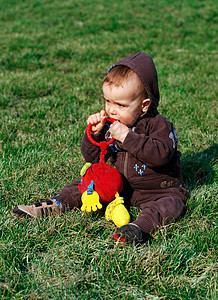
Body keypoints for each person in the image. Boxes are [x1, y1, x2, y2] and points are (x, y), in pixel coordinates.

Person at [13, 52, 189, 244]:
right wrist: (94, 136)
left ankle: (138, 228)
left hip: (157, 190)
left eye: (120, 104)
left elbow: (160, 155)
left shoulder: (159, 125)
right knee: (84, 184)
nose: (111, 110)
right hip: (118, 187)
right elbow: (92, 159)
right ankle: (55, 204)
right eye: (107, 101)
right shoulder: (109, 125)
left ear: (144, 105)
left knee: (171, 204)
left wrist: (127, 137)